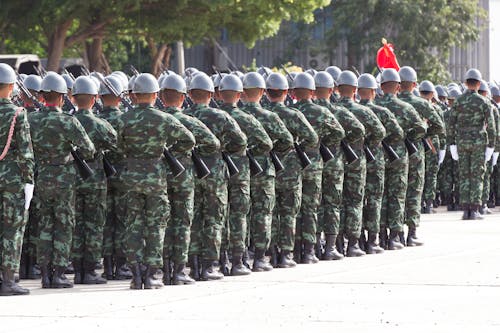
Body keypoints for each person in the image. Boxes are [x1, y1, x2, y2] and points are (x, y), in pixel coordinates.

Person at [116, 73, 195, 289]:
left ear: (134, 95)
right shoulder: (164, 118)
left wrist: (130, 153)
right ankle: (151, 276)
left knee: (133, 225)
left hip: (131, 176)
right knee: (156, 226)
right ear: (155, 95)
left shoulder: (123, 118)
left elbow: (117, 146)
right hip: (156, 178)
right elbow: (189, 139)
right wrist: (165, 151)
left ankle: (136, 276)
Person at [30, 72, 95, 288]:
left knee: (45, 225)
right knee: (64, 224)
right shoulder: (68, 121)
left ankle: (45, 274)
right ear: (61, 97)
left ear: (42, 97)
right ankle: (58, 274)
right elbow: (89, 150)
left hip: (42, 176)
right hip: (64, 179)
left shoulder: (32, 120)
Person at [184, 72, 247, 281]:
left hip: (190, 170)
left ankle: (193, 265)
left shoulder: (184, 116)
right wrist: (223, 150)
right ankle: (210, 265)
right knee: (214, 218)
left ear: (190, 94)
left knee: (193, 218)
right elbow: (240, 141)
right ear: (211, 94)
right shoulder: (221, 116)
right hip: (215, 173)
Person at [159, 73, 220, 285]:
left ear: (161, 97)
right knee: (183, 223)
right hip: (183, 177)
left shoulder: (158, 118)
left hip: (161, 177)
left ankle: (165, 270)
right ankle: (178, 271)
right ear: (183, 97)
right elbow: (213, 143)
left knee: (163, 223)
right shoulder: (188, 121)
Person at [218, 74, 273, 275]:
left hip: (218, 172)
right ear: (239, 95)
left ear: (219, 94)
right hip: (240, 172)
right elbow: (267, 143)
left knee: (219, 216)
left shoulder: (212, 115)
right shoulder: (245, 118)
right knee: (240, 215)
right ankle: (241, 261)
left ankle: (220, 261)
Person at [240, 72, 294, 272]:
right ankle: (261, 257)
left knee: (240, 213)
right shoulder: (269, 117)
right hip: (263, 170)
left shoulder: (236, 115)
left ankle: (243, 255)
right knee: (263, 213)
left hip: (241, 169)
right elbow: (287, 141)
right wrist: (273, 153)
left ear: (243, 93)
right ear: (261, 92)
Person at [265, 73, 318, 268]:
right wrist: (297, 146)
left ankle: (270, 253)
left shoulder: (260, 114)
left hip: (267, 169)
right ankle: (287, 254)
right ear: (287, 93)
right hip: (290, 170)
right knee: (288, 213)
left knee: (268, 212)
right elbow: (312, 138)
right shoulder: (293, 115)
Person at [291, 73, 345, 263]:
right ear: (312, 92)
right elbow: (339, 132)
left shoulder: (291, 112)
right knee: (312, 208)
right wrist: (323, 143)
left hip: (295, 164)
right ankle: (313, 251)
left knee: (295, 208)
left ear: (293, 92)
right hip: (315, 164)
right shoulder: (322, 112)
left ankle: (296, 251)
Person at [70, 76, 117, 284]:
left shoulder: (67, 121)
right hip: (95, 179)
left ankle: (76, 268)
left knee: (75, 224)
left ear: (73, 98)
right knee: (94, 225)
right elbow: (115, 144)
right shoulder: (100, 124)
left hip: (71, 178)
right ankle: (89, 271)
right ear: (94, 99)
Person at [314, 71, 365, 260]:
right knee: (334, 204)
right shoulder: (338, 111)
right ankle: (331, 247)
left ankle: (314, 246)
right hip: (334, 162)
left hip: (314, 162)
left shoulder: (304, 111)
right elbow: (358, 130)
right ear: (330, 90)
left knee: (314, 205)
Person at [376, 69, 426, 249]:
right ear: (398, 87)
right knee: (397, 194)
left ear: (381, 87)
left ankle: (380, 235)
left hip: (379, 153)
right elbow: (421, 129)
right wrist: (406, 136)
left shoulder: (375, 106)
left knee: (380, 194)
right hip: (399, 154)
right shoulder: (406, 108)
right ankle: (396, 237)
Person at [336, 70, 385, 256]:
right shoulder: (362, 111)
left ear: (338, 89)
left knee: (338, 201)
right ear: (354, 89)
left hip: (338, 159)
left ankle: (338, 243)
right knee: (357, 201)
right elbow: (379, 132)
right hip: (357, 159)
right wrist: (366, 143)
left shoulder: (333, 110)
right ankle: (356, 244)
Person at [357, 73, 404, 254]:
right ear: (373, 91)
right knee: (375, 199)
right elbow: (396, 133)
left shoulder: (346, 110)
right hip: (375, 158)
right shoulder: (381, 112)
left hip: (354, 158)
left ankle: (357, 239)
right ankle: (374, 240)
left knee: (356, 200)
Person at [398, 67, 444, 243]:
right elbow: (439, 126)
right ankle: (411, 234)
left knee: (395, 192)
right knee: (414, 191)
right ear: (415, 84)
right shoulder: (422, 103)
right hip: (416, 151)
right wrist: (423, 134)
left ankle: (396, 233)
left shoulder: (386, 102)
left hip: (394, 151)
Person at [0, 63, 35, 296]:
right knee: (12, 230)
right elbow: (25, 152)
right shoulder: (17, 114)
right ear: (12, 86)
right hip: (11, 181)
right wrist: (29, 181)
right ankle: (8, 280)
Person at [449, 69, 496, 220]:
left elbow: (450, 125)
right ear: (479, 83)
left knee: (464, 174)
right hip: (478, 141)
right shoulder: (484, 102)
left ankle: (465, 210)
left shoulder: (458, 101)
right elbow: (492, 127)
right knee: (476, 175)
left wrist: (452, 145)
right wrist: (491, 147)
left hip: (462, 140)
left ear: (465, 83)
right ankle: (474, 209)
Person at [98, 75, 131, 281]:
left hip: (100, 175)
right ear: (120, 98)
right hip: (122, 175)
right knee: (122, 221)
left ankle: (107, 266)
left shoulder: (96, 119)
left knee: (105, 221)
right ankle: (121, 265)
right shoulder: (124, 120)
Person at [18, 74, 43, 280]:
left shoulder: (27, 116)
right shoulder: (30, 116)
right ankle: (31, 265)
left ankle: (18, 267)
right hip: (38, 174)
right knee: (35, 223)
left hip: (20, 174)